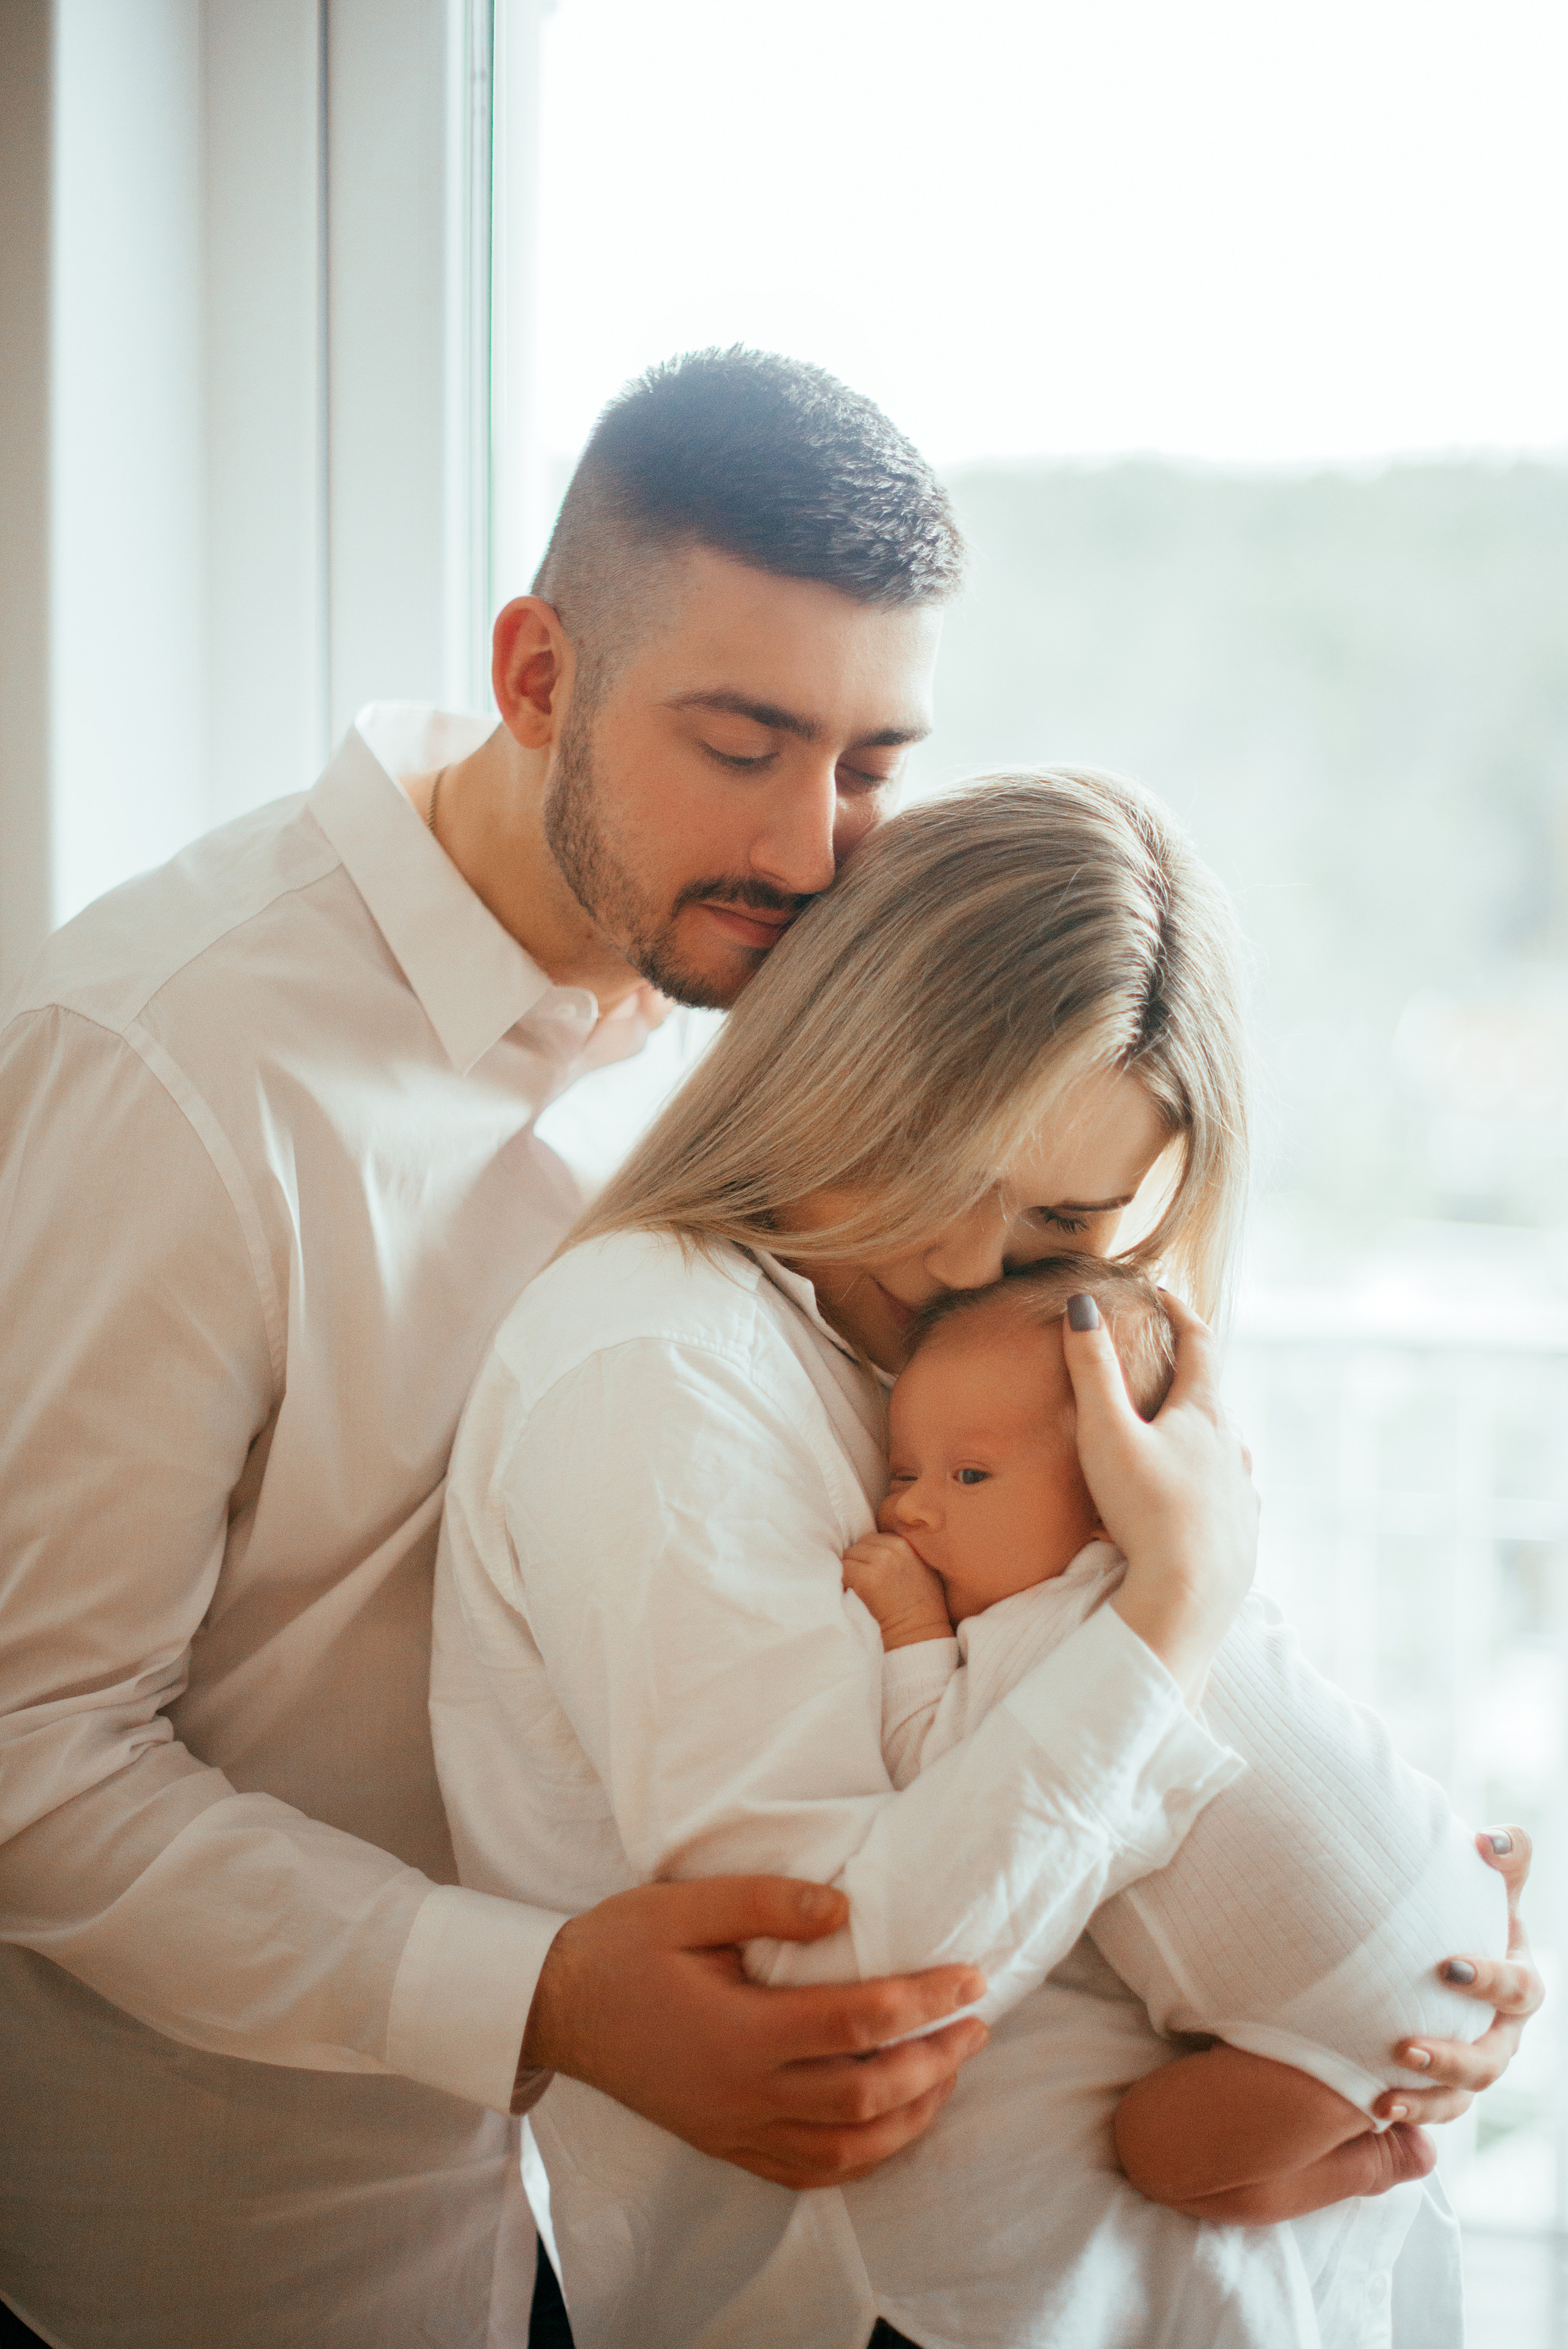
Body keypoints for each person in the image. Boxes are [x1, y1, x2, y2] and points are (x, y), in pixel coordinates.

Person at [0, 351, 998, 2349]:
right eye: (743, 741)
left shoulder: (739, 1014)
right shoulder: (172, 1066)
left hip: (609, 2226)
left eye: (872, 763)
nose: (813, 848)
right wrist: (540, 1994)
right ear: (537, 673)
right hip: (239, 2258)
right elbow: (26, 1759)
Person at [431, 770, 1539, 2349]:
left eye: (1052, 1225)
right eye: (936, 1165)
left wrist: (1396, 1958)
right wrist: (1166, 1614)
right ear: (841, 1063)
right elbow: (835, 1996)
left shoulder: (983, 1348)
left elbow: (1223, 1722)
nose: (962, 1264)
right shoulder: (662, 1372)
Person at [842, 1251, 1509, 2242]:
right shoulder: (1217, 1569)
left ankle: (1374, 2157)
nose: (909, 1508)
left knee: (1156, 2155)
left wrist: (909, 1628)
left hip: (1335, 2022)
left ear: (1112, 1492)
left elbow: (935, 1775)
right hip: (1459, 1888)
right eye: (903, 1472)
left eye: (969, 1473)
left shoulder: (1047, 1641)